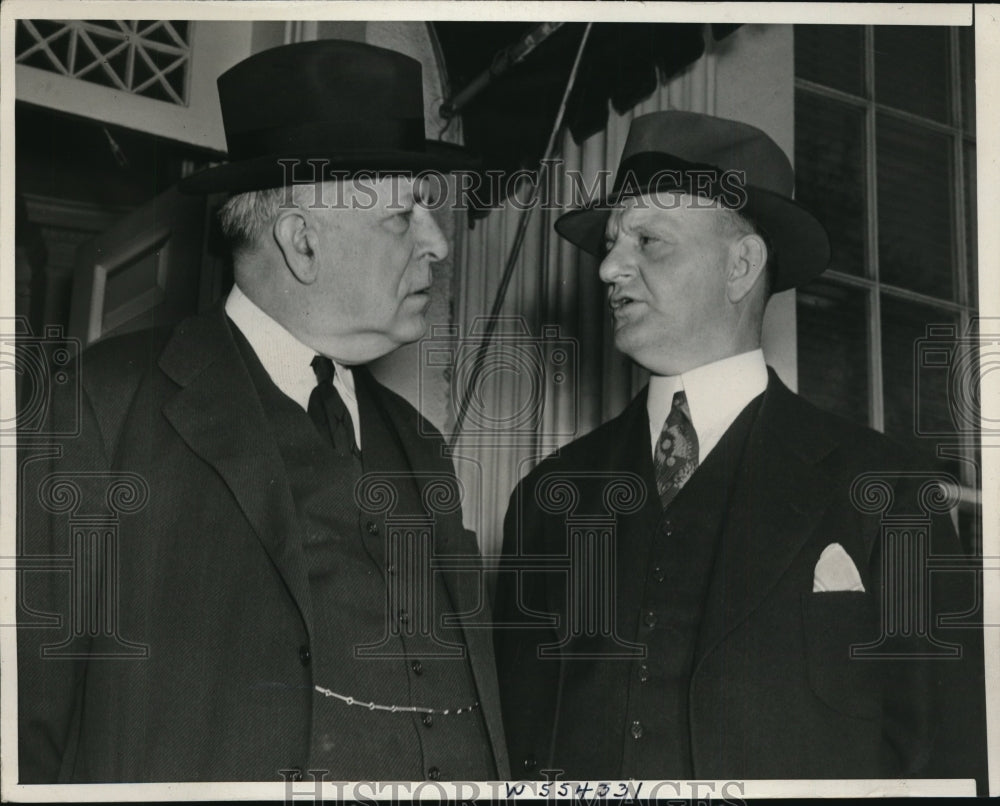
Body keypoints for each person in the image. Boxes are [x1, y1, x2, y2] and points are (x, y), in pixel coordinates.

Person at [18, 40, 508, 783]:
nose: (437, 244)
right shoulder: (103, 403)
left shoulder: (418, 441)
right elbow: (25, 723)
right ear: (302, 243)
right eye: (404, 217)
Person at [494, 111, 985, 788]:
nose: (609, 267)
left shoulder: (891, 492)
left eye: (648, 241)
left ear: (741, 265)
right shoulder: (549, 501)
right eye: (611, 243)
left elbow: (951, 764)